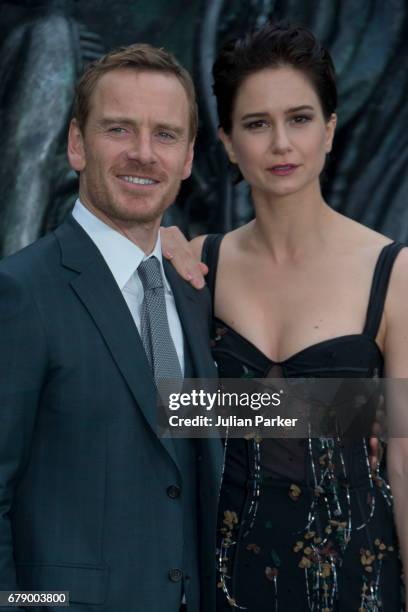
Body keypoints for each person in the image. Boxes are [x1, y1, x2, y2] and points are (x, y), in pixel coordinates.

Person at [161, 22, 408, 611]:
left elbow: (404, 454)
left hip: (356, 580)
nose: (280, 144)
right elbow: (161, 412)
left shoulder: (394, 272)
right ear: (225, 142)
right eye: (256, 124)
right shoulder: (194, 264)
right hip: (220, 581)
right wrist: (352, 406)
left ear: (329, 130)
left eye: (299, 119)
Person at [0, 43, 223, 612]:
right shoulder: (22, 290)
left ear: (189, 157)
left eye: (166, 135)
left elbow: (202, 430)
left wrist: (367, 410)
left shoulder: (189, 292)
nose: (144, 154)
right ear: (77, 143)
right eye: (120, 129)